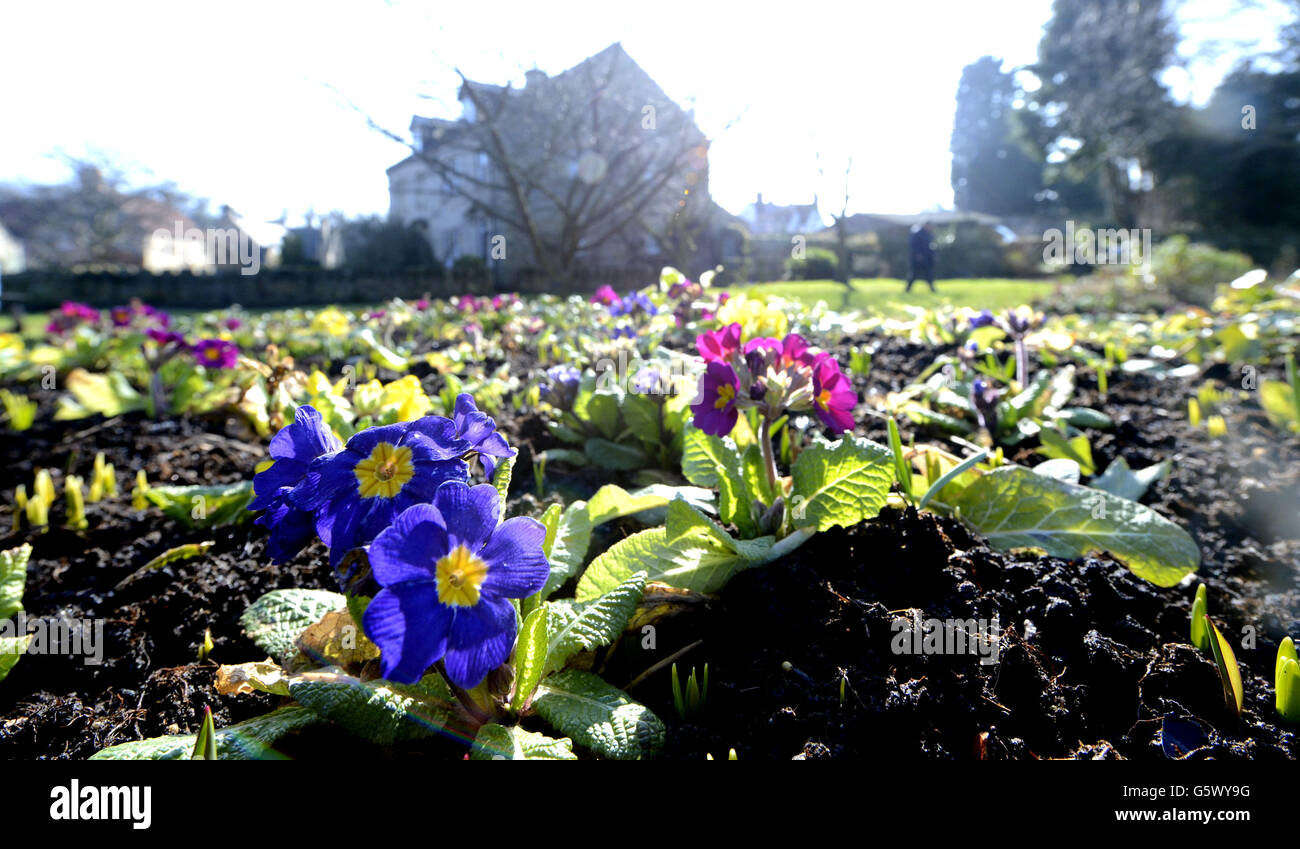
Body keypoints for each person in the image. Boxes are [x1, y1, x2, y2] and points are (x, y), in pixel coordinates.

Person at [905, 221, 936, 293]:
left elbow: (930, 246)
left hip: (926, 258)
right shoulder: (917, 233)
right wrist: (917, 254)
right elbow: (913, 245)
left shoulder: (929, 234)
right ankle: (908, 289)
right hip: (917, 258)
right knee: (914, 274)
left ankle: (932, 289)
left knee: (928, 273)